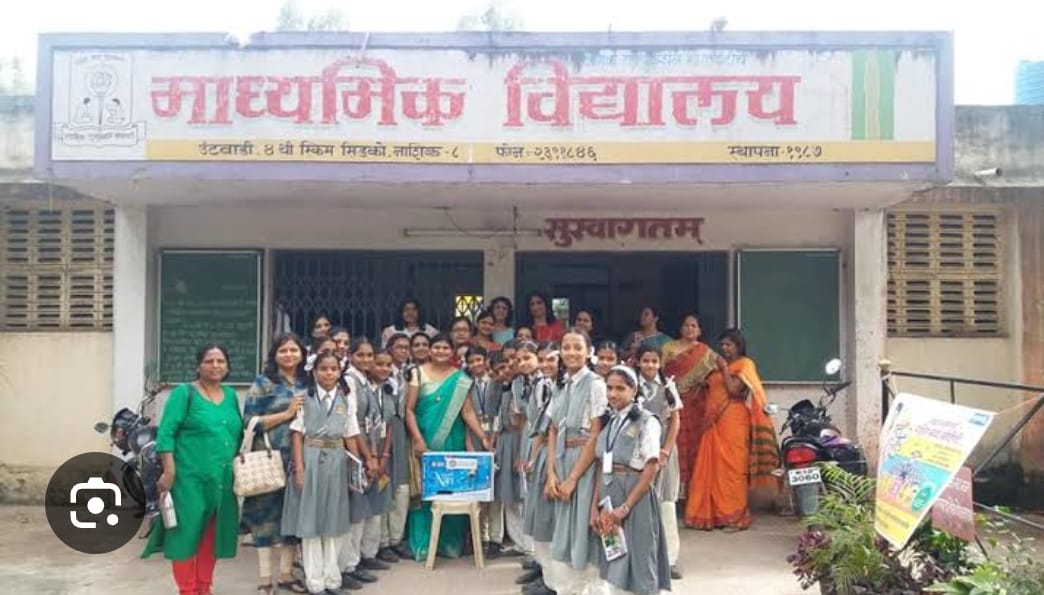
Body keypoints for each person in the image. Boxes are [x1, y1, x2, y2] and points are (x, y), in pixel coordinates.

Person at [142, 344, 243, 595]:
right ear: (198, 366)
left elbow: (237, 434)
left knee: (211, 536)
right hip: (188, 479)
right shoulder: (184, 394)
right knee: (186, 535)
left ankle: (204, 587)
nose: (215, 365)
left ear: (227, 366)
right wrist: (169, 471)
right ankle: (187, 590)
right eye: (209, 361)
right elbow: (166, 433)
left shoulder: (230, 396)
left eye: (221, 361)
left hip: (222, 479)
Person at [404, 334, 494, 561]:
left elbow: (468, 412)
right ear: (430, 350)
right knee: (426, 492)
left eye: (446, 348)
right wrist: (417, 439)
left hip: (453, 441)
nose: (441, 351)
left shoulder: (460, 378)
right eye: (437, 347)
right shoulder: (418, 373)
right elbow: (409, 410)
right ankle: (424, 543)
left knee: (453, 491)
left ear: (452, 351)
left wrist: (482, 437)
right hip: (426, 441)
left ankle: (449, 543)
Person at [281, 351, 360, 595]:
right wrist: (300, 469)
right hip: (311, 458)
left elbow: (350, 434)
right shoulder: (304, 397)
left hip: (337, 459)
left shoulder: (345, 399)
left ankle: (332, 579)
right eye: (323, 369)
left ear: (339, 371)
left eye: (333, 369)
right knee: (311, 521)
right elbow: (297, 434)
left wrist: (357, 466)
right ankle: (315, 582)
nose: (329, 373)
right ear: (314, 372)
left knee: (334, 519)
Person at [684, 328, 780, 531]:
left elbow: (734, 390)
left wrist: (723, 369)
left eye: (729, 344)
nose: (724, 348)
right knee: (713, 470)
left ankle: (735, 518)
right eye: (722, 344)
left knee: (732, 470)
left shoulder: (745, 365)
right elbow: (716, 388)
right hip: (713, 423)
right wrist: (707, 382)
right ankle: (714, 516)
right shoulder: (720, 367)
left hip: (734, 422)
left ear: (738, 345)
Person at [589, 366, 671, 595]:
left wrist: (626, 506)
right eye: (609, 388)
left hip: (635, 494)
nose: (613, 394)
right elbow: (601, 466)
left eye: (620, 388)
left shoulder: (647, 421)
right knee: (615, 557)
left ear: (633, 390)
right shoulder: (611, 422)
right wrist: (594, 508)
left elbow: (650, 467)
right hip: (610, 494)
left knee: (640, 556)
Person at [242, 333, 309, 594]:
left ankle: (286, 574)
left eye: (294, 350)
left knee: (293, 515)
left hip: (300, 459)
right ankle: (264, 579)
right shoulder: (263, 383)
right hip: (269, 459)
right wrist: (286, 414)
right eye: (283, 350)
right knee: (264, 518)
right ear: (274, 355)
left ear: (302, 354)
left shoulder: (307, 382)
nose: (289, 355)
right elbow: (250, 423)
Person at [545, 329, 607, 595]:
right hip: (561, 461)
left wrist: (572, 478)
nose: (571, 352)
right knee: (565, 529)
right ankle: (567, 588)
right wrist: (551, 473)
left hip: (585, 464)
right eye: (566, 347)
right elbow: (552, 429)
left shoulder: (595, 384)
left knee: (584, 527)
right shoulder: (560, 385)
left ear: (588, 352)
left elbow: (595, 434)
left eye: (577, 347)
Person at [634, 345, 683, 580]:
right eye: (645, 361)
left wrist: (665, 451)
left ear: (660, 363)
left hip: (665, 451)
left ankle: (669, 560)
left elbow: (675, 421)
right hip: (639, 452)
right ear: (637, 362)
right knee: (640, 502)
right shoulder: (631, 384)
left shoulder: (667, 386)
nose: (650, 365)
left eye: (654, 361)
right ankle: (643, 557)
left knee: (666, 503)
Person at [340, 338, 385, 586]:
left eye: (370, 356)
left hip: (368, 446)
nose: (366, 360)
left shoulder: (366, 381)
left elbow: (373, 423)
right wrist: (365, 457)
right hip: (356, 449)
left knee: (363, 510)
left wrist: (374, 455)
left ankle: (356, 560)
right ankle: (347, 566)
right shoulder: (349, 380)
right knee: (355, 511)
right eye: (361, 355)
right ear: (350, 355)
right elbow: (352, 424)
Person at [519, 342, 561, 594]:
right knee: (540, 515)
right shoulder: (541, 384)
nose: (546, 365)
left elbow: (549, 430)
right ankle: (544, 571)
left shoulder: (554, 387)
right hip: (540, 449)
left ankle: (552, 580)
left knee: (550, 518)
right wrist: (532, 457)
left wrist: (538, 458)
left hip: (555, 454)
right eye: (542, 360)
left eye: (551, 360)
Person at [661, 315, 718, 499]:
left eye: (694, 326)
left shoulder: (706, 352)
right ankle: (672, 493)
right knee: (674, 446)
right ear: (681, 328)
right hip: (671, 403)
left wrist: (704, 384)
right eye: (686, 325)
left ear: (699, 331)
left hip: (694, 406)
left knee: (693, 447)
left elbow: (715, 375)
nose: (690, 329)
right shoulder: (669, 348)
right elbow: (661, 373)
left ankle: (693, 494)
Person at [463, 346, 505, 558]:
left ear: (486, 360)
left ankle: (496, 539)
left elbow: (501, 412)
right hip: (475, 433)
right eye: (471, 361)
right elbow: (465, 416)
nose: (475, 364)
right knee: (476, 489)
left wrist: (494, 439)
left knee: (495, 492)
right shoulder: (465, 385)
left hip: (495, 435)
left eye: (478, 360)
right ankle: (479, 537)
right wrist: (470, 444)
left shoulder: (497, 382)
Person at [503, 340, 540, 560]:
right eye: (519, 360)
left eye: (527, 358)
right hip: (527, 435)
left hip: (545, 436)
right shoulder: (518, 383)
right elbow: (521, 419)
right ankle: (529, 547)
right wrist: (521, 452)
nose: (522, 363)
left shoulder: (546, 381)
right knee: (525, 490)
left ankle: (538, 551)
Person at [379, 342, 414, 563]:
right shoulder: (380, 374)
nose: (402, 351)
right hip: (381, 431)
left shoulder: (410, 373)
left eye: (406, 347)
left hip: (402, 431)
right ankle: (382, 542)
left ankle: (396, 539)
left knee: (401, 488)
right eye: (398, 347)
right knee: (383, 486)